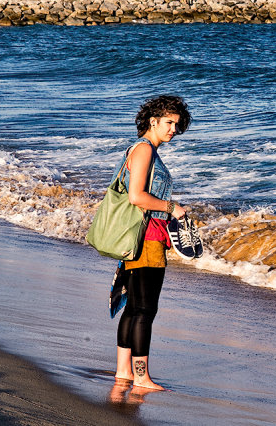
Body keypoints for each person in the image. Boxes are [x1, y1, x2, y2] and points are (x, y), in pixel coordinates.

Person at [111, 95, 191, 391]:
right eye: (169, 123)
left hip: (137, 237)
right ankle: (141, 376)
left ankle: (124, 371)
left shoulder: (141, 149)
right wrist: (172, 208)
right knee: (145, 309)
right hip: (147, 239)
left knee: (133, 307)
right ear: (152, 121)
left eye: (177, 124)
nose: (173, 129)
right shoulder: (144, 150)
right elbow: (136, 197)